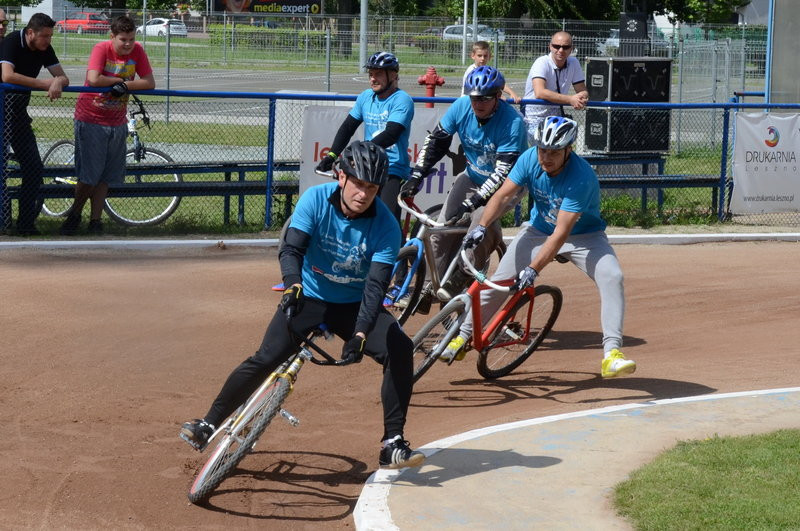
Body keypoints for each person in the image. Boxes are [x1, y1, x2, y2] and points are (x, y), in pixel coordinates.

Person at [181, 140, 425, 471]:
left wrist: (361, 332)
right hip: (308, 294)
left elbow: (375, 286)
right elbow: (292, 249)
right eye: (357, 183)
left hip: (353, 304)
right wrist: (293, 284)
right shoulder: (314, 200)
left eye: (371, 187)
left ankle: (392, 442)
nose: (363, 193)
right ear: (341, 176)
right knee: (266, 357)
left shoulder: (386, 226)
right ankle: (209, 423)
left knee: (400, 347)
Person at [442, 116, 637, 379]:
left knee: (613, 277)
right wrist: (482, 227)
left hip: (584, 236)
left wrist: (533, 269)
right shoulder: (530, 158)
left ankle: (612, 354)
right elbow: (502, 195)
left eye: (554, 152)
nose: (546, 157)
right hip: (538, 230)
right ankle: (461, 337)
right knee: (499, 282)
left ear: (569, 151)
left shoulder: (582, 178)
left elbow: (561, 234)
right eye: (543, 149)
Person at [401, 65, 527, 307]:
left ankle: (464, 274)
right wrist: (416, 176)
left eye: (485, 98)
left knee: (481, 220)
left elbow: (502, 174)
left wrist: (474, 202)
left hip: (508, 185)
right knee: (441, 229)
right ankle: (428, 286)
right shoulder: (461, 107)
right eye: (474, 97)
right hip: (471, 176)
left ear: (498, 97)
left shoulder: (512, 123)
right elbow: (437, 142)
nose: (477, 103)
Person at [59, 15, 155, 236]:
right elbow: (93, 78)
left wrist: (126, 85)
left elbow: (149, 82)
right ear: (112, 36)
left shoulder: (137, 51)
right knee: (89, 176)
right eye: (123, 39)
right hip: (91, 117)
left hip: (117, 120)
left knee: (105, 176)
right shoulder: (101, 49)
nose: (128, 44)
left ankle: (95, 221)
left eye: (131, 39)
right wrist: (118, 82)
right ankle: (74, 214)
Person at [315, 51, 414, 223]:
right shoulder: (366, 97)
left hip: (392, 168)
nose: (373, 79)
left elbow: (391, 134)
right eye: (370, 74)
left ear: (393, 76)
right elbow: (348, 127)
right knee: (348, 207)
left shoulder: (402, 100)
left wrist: (359, 152)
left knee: (387, 219)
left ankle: (395, 248)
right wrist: (332, 155)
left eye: (378, 74)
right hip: (367, 166)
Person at [1, 13, 69, 236]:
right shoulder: (11, 41)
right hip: (1, 113)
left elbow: (62, 77)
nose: (48, 40)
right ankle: (4, 222)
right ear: (31, 33)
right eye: (45, 36)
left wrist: (58, 81)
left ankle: (26, 224)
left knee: (33, 168)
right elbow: (7, 76)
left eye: (50, 36)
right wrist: (43, 84)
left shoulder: (45, 49)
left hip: (19, 117)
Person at [522, 31, 588, 144]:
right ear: (550, 46)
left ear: (572, 48)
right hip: (534, 118)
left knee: (563, 150)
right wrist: (570, 99)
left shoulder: (574, 62)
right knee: (545, 149)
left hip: (556, 117)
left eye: (565, 47)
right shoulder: (541, 62)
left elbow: (582, 90)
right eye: (556, 46)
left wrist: (582, 99)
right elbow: (540, 92)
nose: (561, 50)